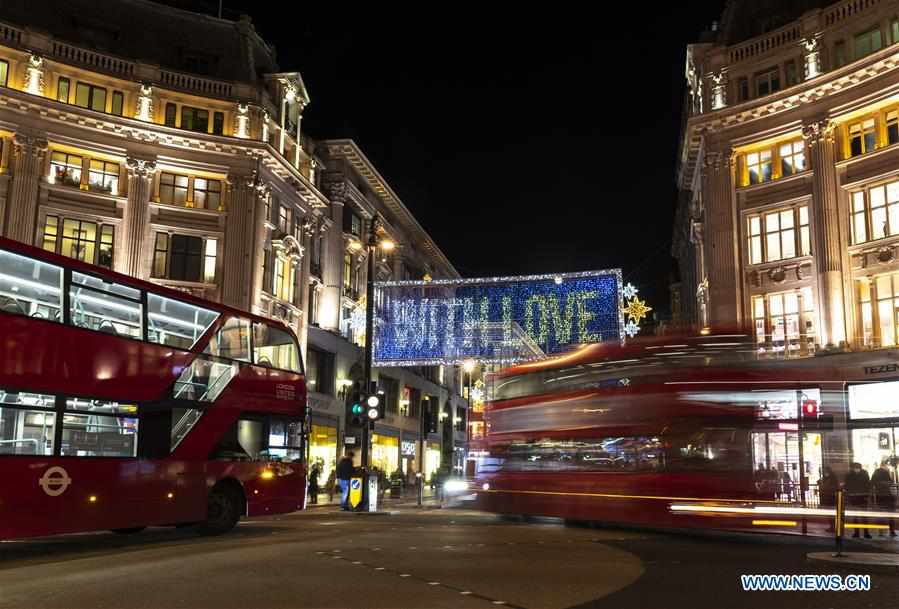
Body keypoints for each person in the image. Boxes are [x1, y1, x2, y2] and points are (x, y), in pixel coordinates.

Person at [845, 462, 872, 539]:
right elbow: (847, 486)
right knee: (857, 516)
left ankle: (864, 532)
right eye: (855, 468)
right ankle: (858, 532)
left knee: (863, 516)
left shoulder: (862, 474)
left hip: (861, 497)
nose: (856, 469)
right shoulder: (850, 475)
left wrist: (867, 495)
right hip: (856, 497)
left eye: (857, 468)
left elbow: (867, 485)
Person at [871, 459, 897, 537]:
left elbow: (873, 483)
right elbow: (889, 483)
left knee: (883, 515)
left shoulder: (879, 472)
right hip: (885, 496)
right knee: (889, 515)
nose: (887, 467)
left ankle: (882, 531)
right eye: (887, 465)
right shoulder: (882, 472)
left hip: (882, 496)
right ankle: (890, 531)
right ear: (883, 465)